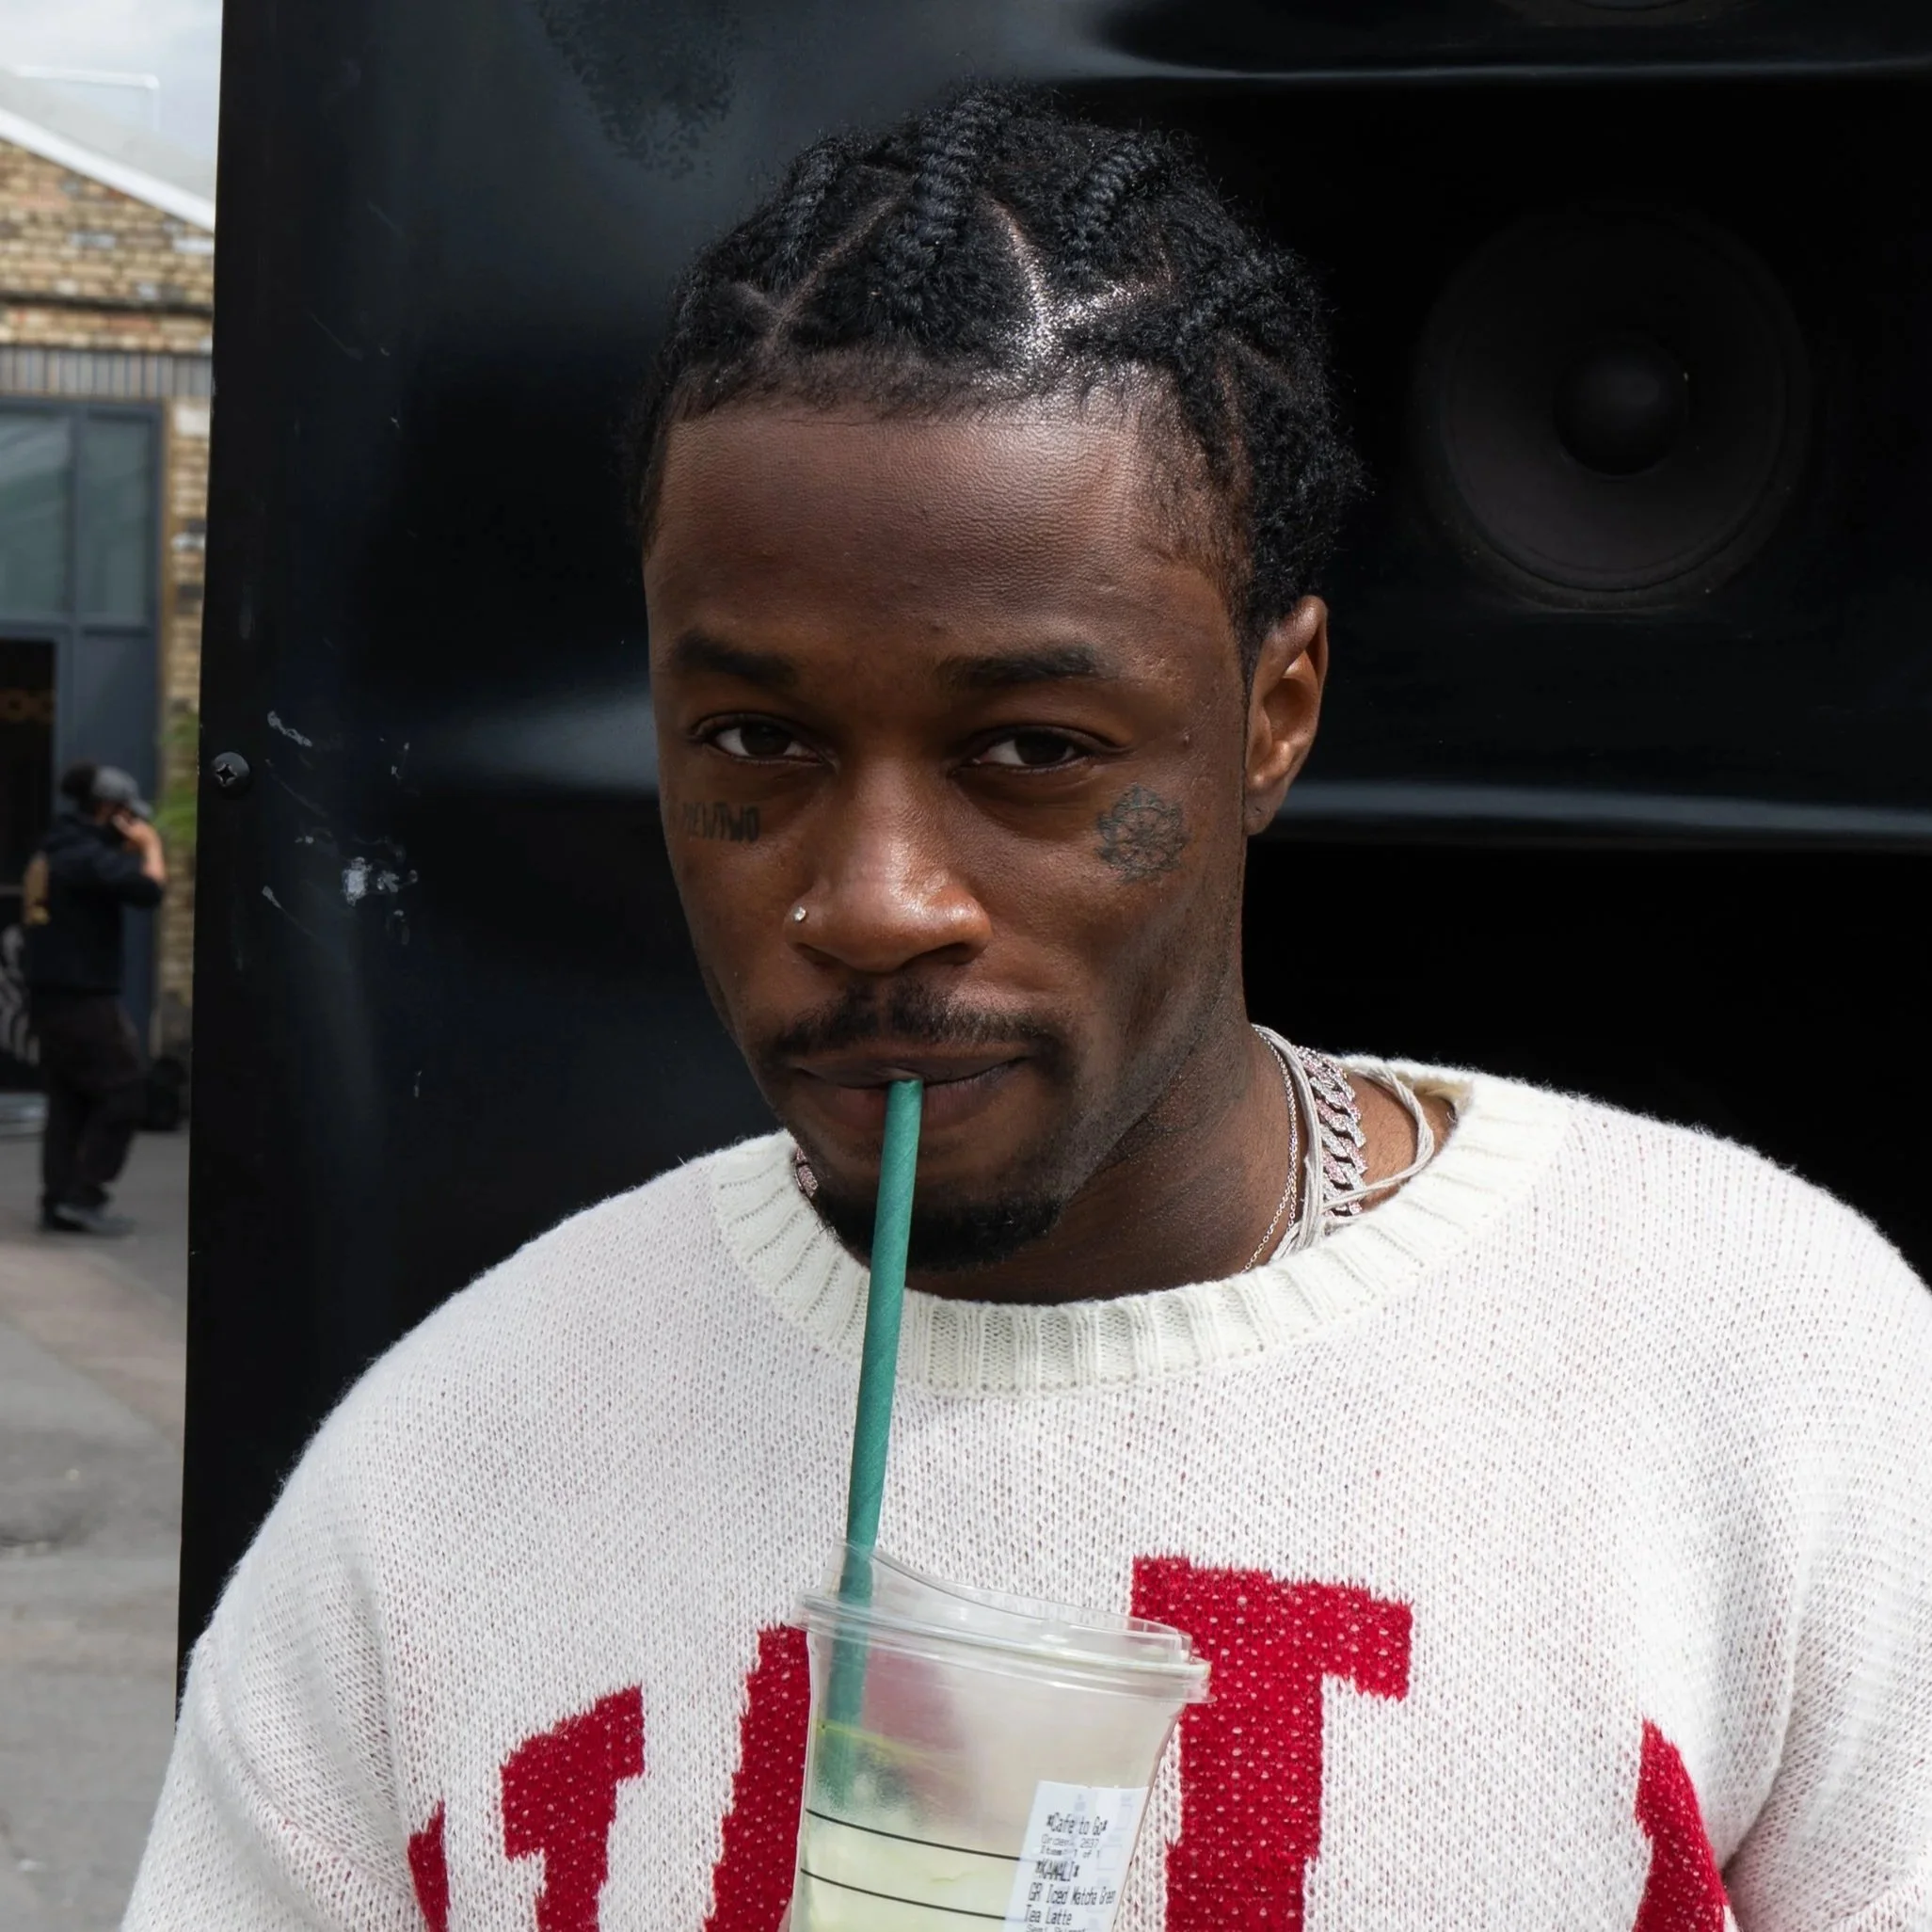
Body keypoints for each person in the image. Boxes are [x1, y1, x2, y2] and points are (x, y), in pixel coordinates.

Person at [128, 93, 1930, 1929]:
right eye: (757, 741)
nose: (876, 902)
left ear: (1275, 710)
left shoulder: (1767, 1372)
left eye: (1032, 751)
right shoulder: (438, 1487)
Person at [22, 760, 166, 1237]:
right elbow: (148, 890)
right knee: (124, 1091)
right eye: (126, 812)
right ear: (108, 808)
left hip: (52, 997)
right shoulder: (82, 857)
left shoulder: (57, 847)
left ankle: (60, 1201)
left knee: (70, 1100)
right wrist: (150, 846)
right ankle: (83, 1196)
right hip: (81, 998)